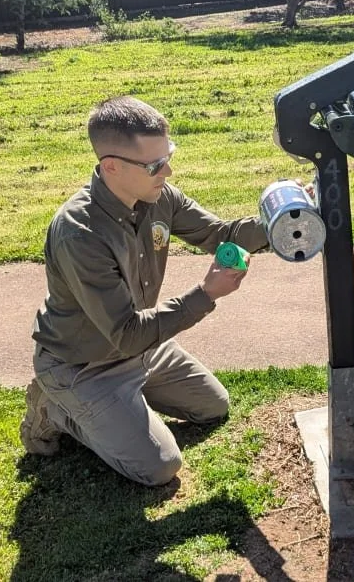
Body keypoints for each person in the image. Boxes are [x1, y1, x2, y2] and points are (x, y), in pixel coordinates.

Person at [20, 95, 270, 486]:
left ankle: (121, 408)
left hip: (142, 347)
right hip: (85, 365)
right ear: (112, 167)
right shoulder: (79, 234)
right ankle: (55, 409)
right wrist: (206, 293)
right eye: (155, 165)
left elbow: (222, 235)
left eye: (168, 155)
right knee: (160, 467)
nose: (167, 170)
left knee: (212, 406)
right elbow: (127, 332)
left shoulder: (159, 197)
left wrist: (280, 218)